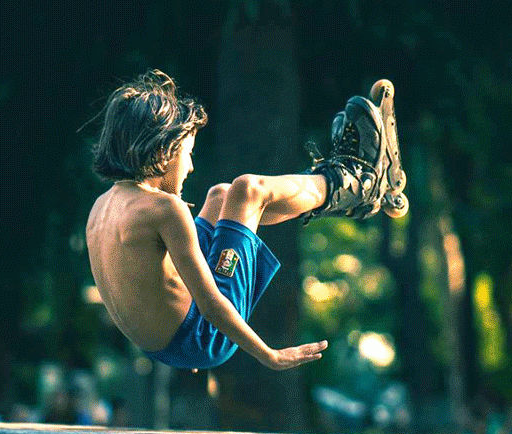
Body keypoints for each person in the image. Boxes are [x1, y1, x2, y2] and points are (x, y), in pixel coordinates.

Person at [84, 70, 403, 372]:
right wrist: (269, 355)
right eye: (188, 153)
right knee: (247, 191)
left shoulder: (100, 209)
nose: (191, 167)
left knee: (221, 196)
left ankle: (337, 194)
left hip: (165, 346)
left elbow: (146, 289)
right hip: (201, 336)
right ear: (165, 150)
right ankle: (353, 180)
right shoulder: (164, 209)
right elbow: (209, 304)